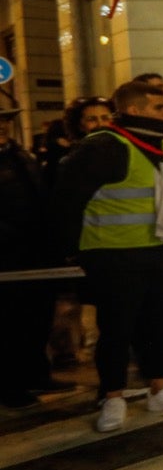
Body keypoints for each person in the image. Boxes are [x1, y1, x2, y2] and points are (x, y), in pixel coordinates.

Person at [55, 78, 163, 431]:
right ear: (135, 110)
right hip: (116, 255)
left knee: (159, 324)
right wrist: (73, 252)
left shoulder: (160, 144)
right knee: (117, 330)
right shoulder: (103, 146)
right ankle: (112, 397)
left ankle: (160, 387)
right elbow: (65, 201)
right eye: (159, 107)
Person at [1, 95, 65, 408]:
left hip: (35, 254)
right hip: (8, 257)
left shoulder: (19, 154)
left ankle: (35, 373)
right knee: (9, 324)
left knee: (35, 318)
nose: (2, 126)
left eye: (5, 119)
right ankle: (11, 385)